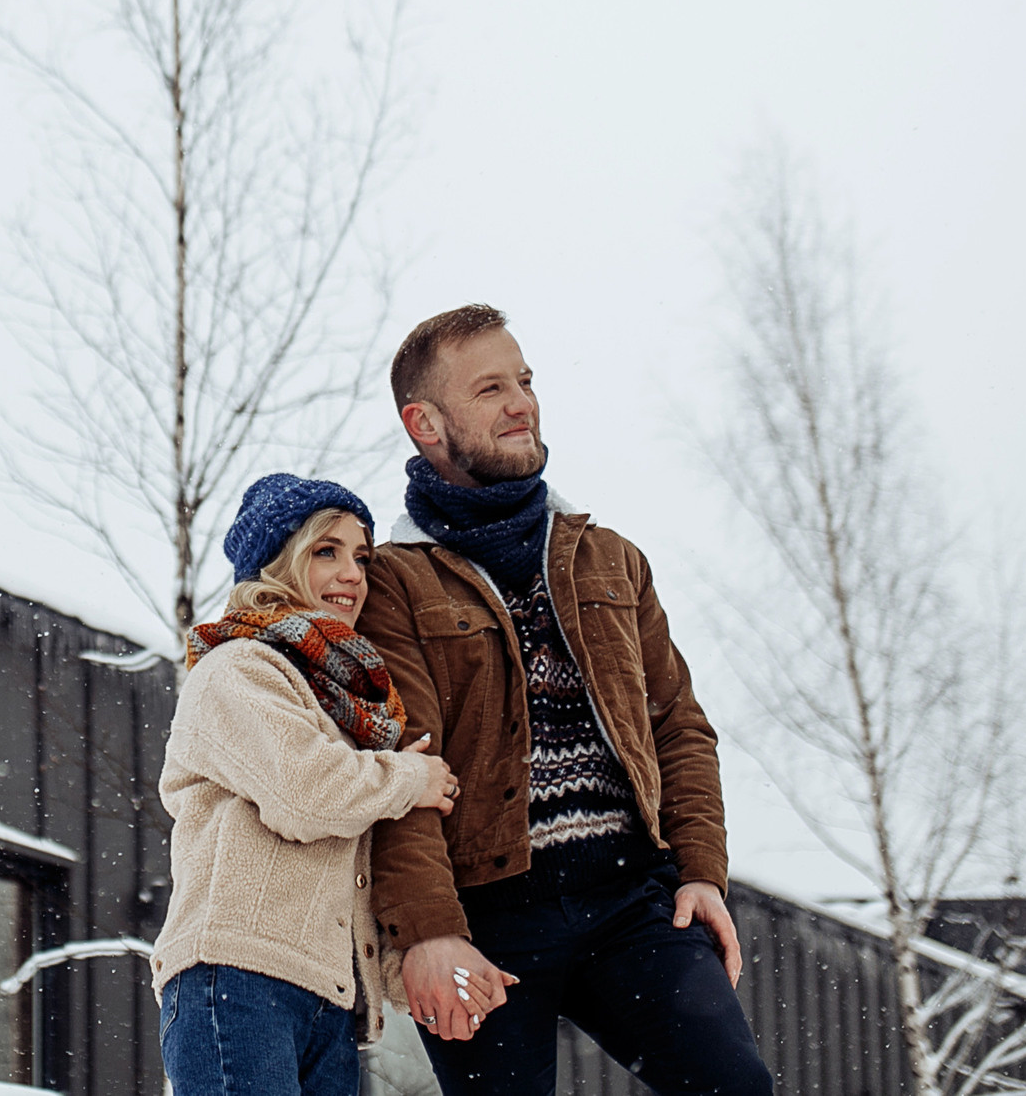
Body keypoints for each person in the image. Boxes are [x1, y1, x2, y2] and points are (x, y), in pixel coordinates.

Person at [356, 305, 773, 1096]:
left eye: (526, 380)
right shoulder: (393, 581)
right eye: (490, 388)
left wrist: (701, 872)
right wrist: (430, 933)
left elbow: (679, 726)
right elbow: (398, 772)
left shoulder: (608, 558)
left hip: (629, 902)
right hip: (484, 919)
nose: (522, 402)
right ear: (426, 423)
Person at [153, 473, 460, 1096]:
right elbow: (308, 795)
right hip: (236, 978)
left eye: (361, 557)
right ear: (278, 563)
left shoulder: (341, 703)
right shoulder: (239, 668)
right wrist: (408, 776)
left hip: (328, 1000)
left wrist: (408, 971)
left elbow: (346, 872)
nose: (352, 573)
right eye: (327, 551)